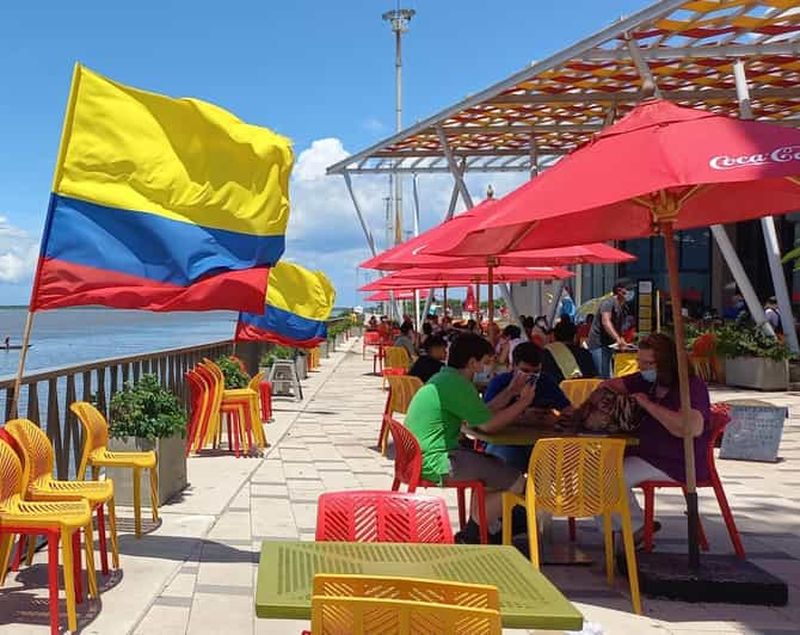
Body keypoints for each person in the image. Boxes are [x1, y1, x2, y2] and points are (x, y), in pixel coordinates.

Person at [404, 333, 536, 543]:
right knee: (518, 481)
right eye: (486, 362)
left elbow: (481, 413)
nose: (489, 368)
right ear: (473, 363)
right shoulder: (458, 384)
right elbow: (489, 425)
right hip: (437, 461)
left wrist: (511, 392)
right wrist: (523, 403)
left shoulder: (445, 378)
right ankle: (474, 534)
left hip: (420, 458)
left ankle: (485, 528)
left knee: (495, 475)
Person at [604, 333, 711, 542]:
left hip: (676, 460)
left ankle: (634, 529)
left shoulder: (690, 387)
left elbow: (690, 428)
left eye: (649, 364)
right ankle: (624, 533)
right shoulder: (646, 381)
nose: (643, 369)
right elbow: (608, 386)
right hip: (644, 452)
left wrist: (648, 405)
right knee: (593, 469)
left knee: (609, 476)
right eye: (639, 363)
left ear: (666, 363)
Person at [482, 343, 573, 472]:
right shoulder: (500, 383)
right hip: (504, 442)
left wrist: (556, 419)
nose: (530, 376)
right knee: (504, 462)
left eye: (536, 372)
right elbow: (485, 417)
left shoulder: (545, 382)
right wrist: (521, 417)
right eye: (525, 371)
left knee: (558, 463)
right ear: (513, 367)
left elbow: (570, 411)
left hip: (536, 443)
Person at [587, 281, 631, 379]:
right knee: (603, 375)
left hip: (610, 345)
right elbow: (606, 322)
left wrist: (621, 339)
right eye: (628, 289)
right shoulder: (608, 303)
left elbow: (618, 327)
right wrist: (618, 339)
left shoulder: (624, 307)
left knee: (609, 375)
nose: (630, 292)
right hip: (599, 344)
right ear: (619, 291)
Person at [543, 318, 597, 383]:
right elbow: (593, 377)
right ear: (575, 337)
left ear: (554, 336)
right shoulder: (585, 354)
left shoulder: (545, 354)